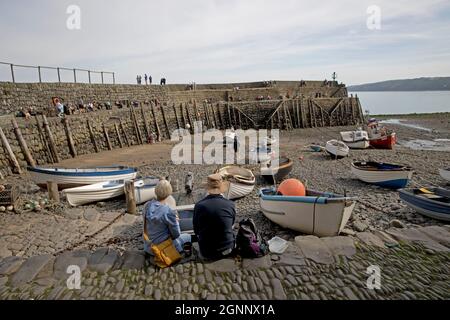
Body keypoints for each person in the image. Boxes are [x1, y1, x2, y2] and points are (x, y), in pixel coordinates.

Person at [193, 174, 236, 260]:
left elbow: (196, 230)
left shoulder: (199, 206)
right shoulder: (230, 204)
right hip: (228, 249)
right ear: (221, 188)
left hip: (207, 252)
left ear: (208, 189)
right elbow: (231, 224)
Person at [143, 180, 191, 255]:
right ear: (169, 193)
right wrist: (176, 222)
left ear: (156, 191)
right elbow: (176, 234)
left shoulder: (147, 205)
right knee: (188, 236)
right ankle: (179, 252)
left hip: (148, 247)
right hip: (162, 248)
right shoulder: (168, 211)